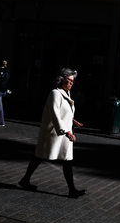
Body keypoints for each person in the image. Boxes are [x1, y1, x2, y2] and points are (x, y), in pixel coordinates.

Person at [18, 68, 86, 198]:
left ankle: (72, 190)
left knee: (67, 160)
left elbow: (64, 112)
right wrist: (67, 131)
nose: (72, 83)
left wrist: (72, 120)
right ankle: (25, 180)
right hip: (54, 133)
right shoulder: (55, 93)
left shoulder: (66, 93)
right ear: (61, 80)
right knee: (40, 155)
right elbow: (55, 114)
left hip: (64, 132)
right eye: (69, 80)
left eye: (73, 81)